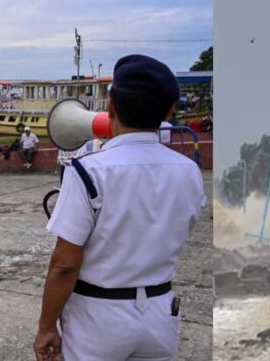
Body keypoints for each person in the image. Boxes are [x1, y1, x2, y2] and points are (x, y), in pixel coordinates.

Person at [33, 54, 206, 361]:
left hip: (97, 320)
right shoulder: (189, 171)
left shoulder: (88, 171)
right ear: (168, 111)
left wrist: (46, 327)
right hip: (160, 314)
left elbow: (65, 264)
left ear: (111, 106)